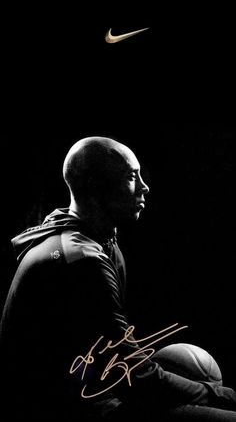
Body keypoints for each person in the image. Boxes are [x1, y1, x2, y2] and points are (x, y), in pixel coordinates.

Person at [0, 136, 235, 421]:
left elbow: (117, 359)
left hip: (92, 390)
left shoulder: (98, 241)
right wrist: (222, 395)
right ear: (95, 185)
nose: (145, 187)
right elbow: (133, 376)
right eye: (131, 177)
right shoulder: (83, 262)